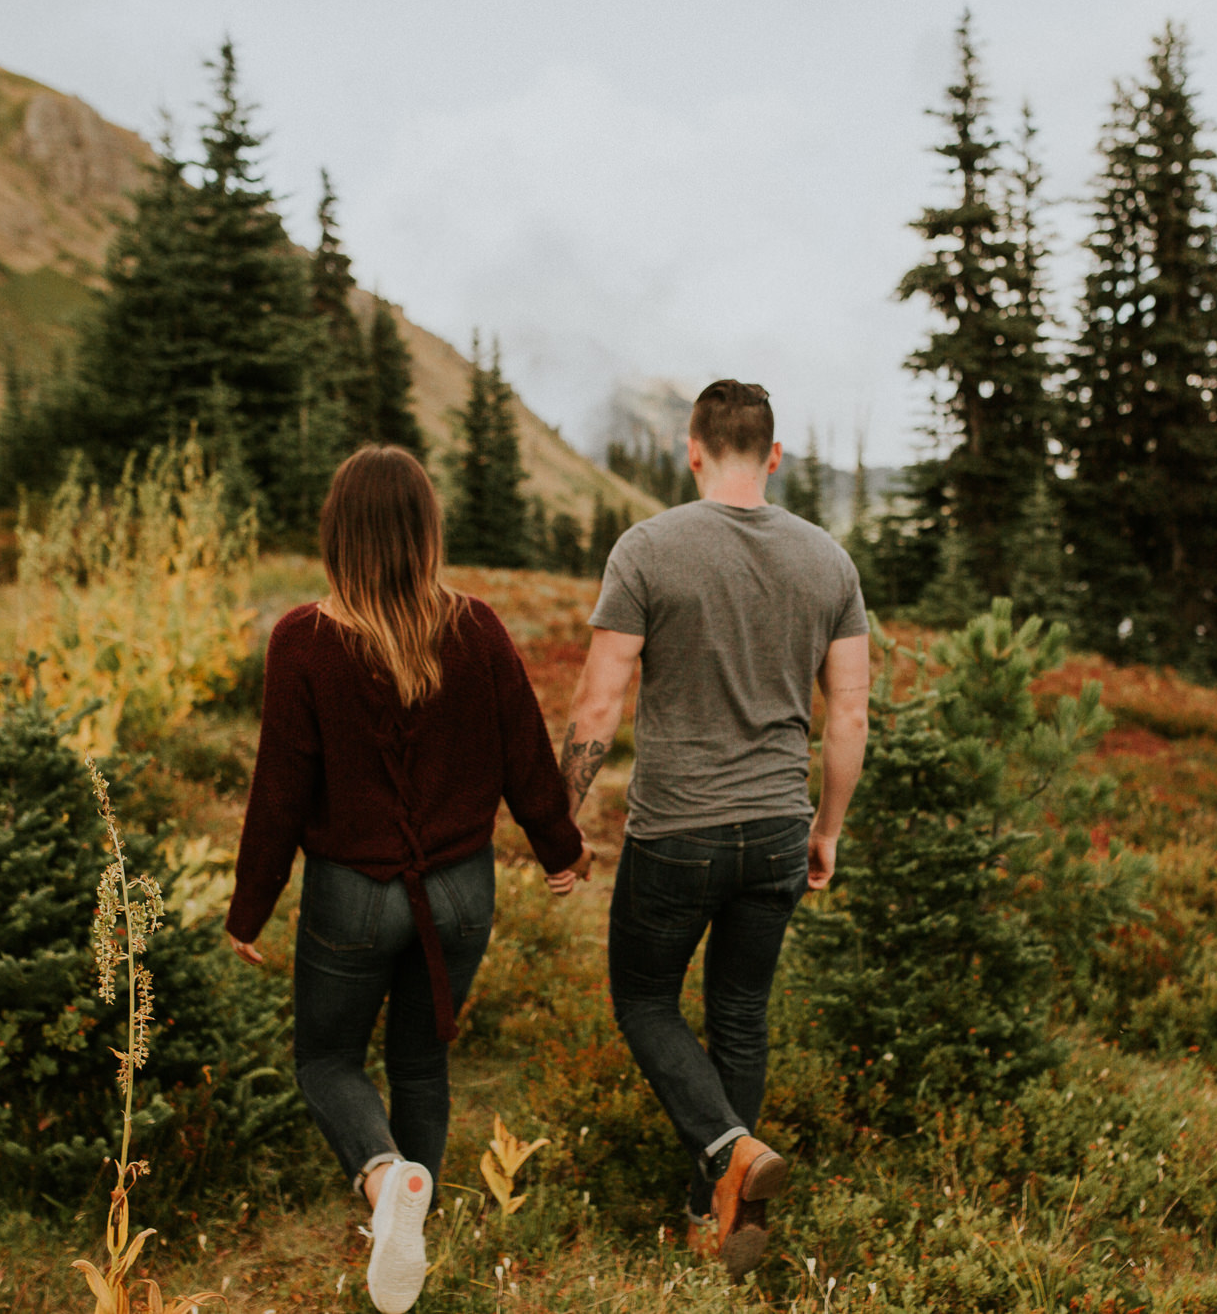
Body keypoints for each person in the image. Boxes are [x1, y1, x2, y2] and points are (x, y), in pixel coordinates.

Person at [225, 445, 591, 1314]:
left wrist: (249, 907)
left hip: (353, 892)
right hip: (460, 889)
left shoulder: (302, 642)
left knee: (324, 1057)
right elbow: (525, 757)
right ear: (427, 532)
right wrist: (560, 847)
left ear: (337, 535)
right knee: (422, 1060)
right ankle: (410, 1222)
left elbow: (279, 793)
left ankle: (387, 1182)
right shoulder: (480, 627)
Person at [559, 380, 871, 1279]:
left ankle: (728, 1154)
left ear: (692, 448)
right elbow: (848, 716)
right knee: (740, 1015)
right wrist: (828, 827)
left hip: (677, 831)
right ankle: (713, 1209)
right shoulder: (829, 562)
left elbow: (598, 699)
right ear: (773, 455)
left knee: (645, 1001)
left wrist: (559, 819)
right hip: (777, 826)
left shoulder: (649, 548)